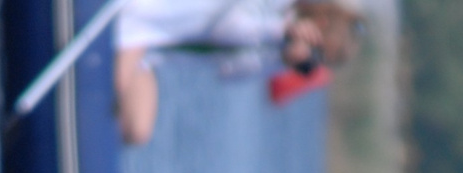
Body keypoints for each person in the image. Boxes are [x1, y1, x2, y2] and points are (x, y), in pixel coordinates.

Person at [112, 1, 362, 148]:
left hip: (148, 48)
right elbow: (228, 26)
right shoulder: (277, 9)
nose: (307, 62)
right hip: (139, 15)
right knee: (115, 83)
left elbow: (229, 73)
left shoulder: (280, 51)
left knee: (138, 131)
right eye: (316, 55)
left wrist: (281, 58)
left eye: (312, 64)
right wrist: (281, 29)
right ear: (320, 25)